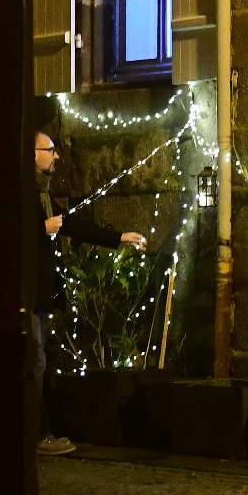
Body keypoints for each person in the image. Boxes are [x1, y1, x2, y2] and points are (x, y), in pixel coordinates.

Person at [31, 131, 146, 456]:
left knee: (39, 362)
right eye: (49, 150)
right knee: (35, 363)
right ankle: (38, 435)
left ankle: (40, 433)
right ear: (31, 155)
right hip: (26, 297)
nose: (55, 157)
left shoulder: (43, 194)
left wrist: (120, 236)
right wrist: (42, 229)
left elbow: (71, 225)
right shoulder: (22, 193)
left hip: (39, 297)